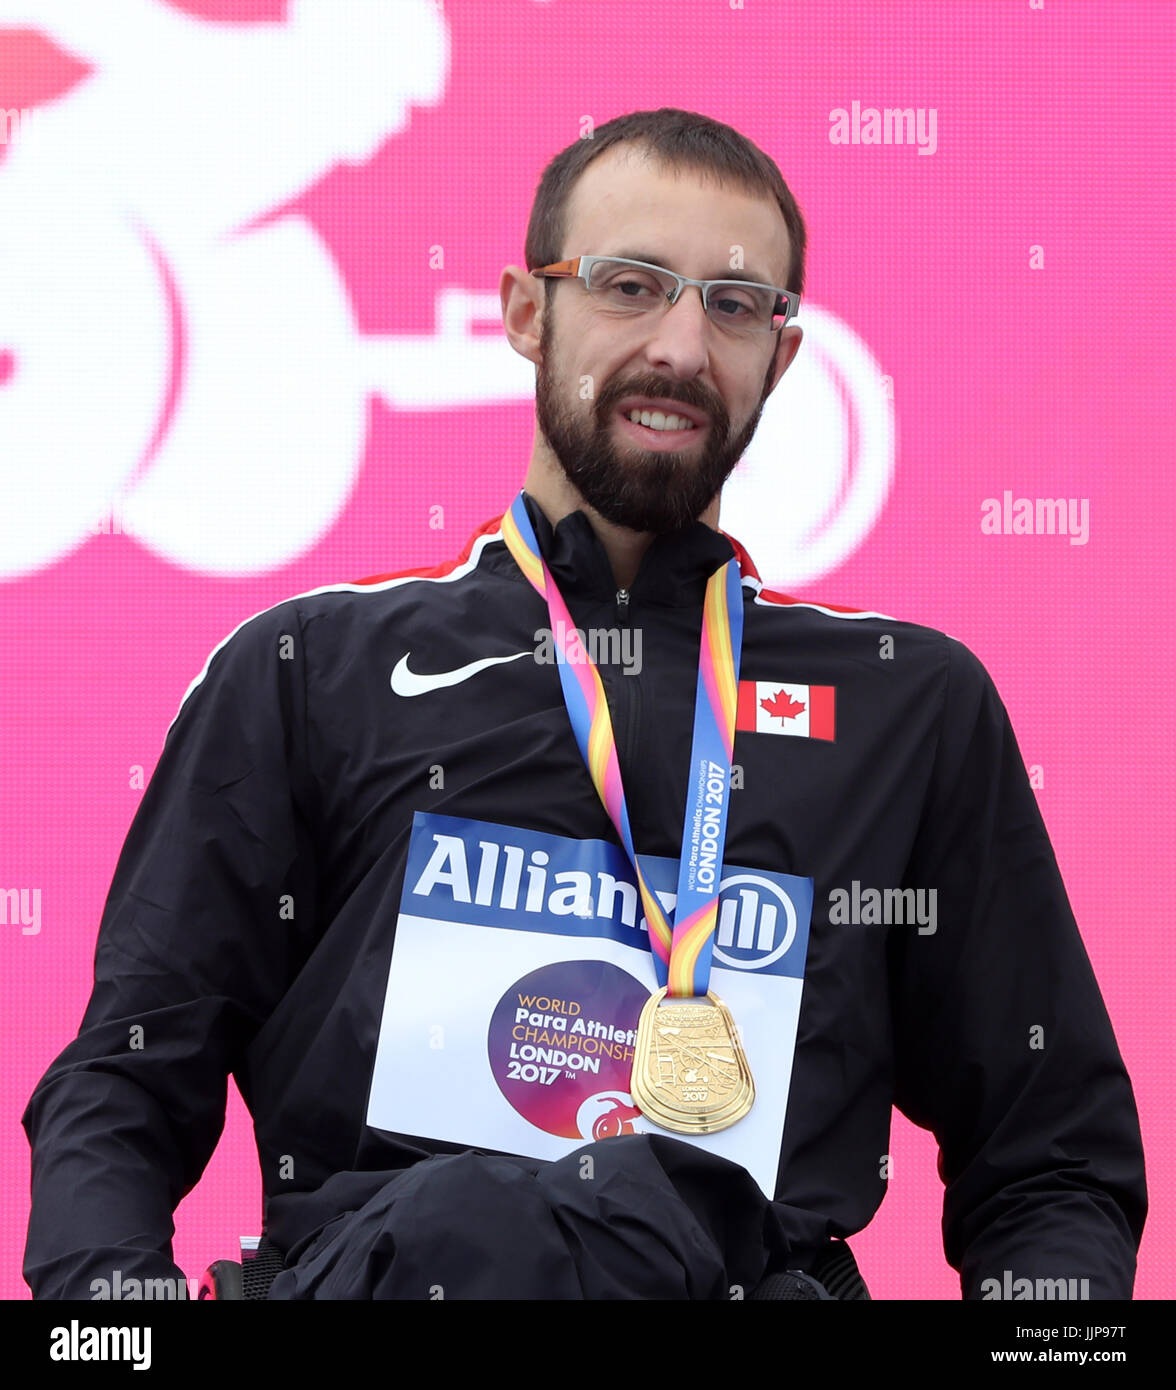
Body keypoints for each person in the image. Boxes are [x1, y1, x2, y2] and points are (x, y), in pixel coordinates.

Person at [23, 108, 1146, 1301]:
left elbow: (1049, 1157)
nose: (679, 344)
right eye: (630, 285)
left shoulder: (906, 705)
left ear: (784, 355)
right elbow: (128, 1080)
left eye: (733, 304)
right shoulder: (314, 669)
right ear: (524, 311)